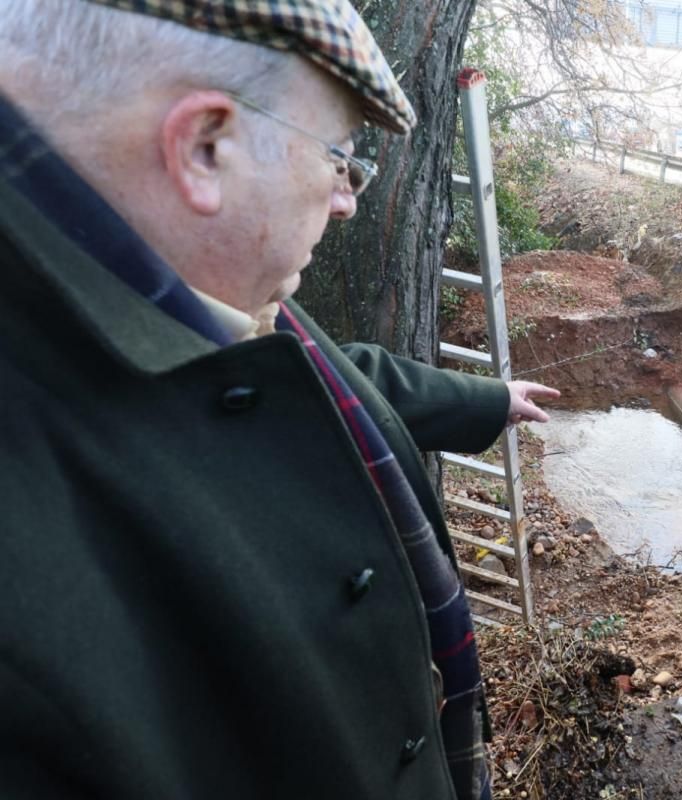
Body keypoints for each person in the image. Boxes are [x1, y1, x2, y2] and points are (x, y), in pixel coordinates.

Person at [0, 1, 558, 798]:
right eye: (339, 160)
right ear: (205, 147)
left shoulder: (166, 283)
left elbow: (321, 372)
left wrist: (486, 398)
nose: (347, 200)